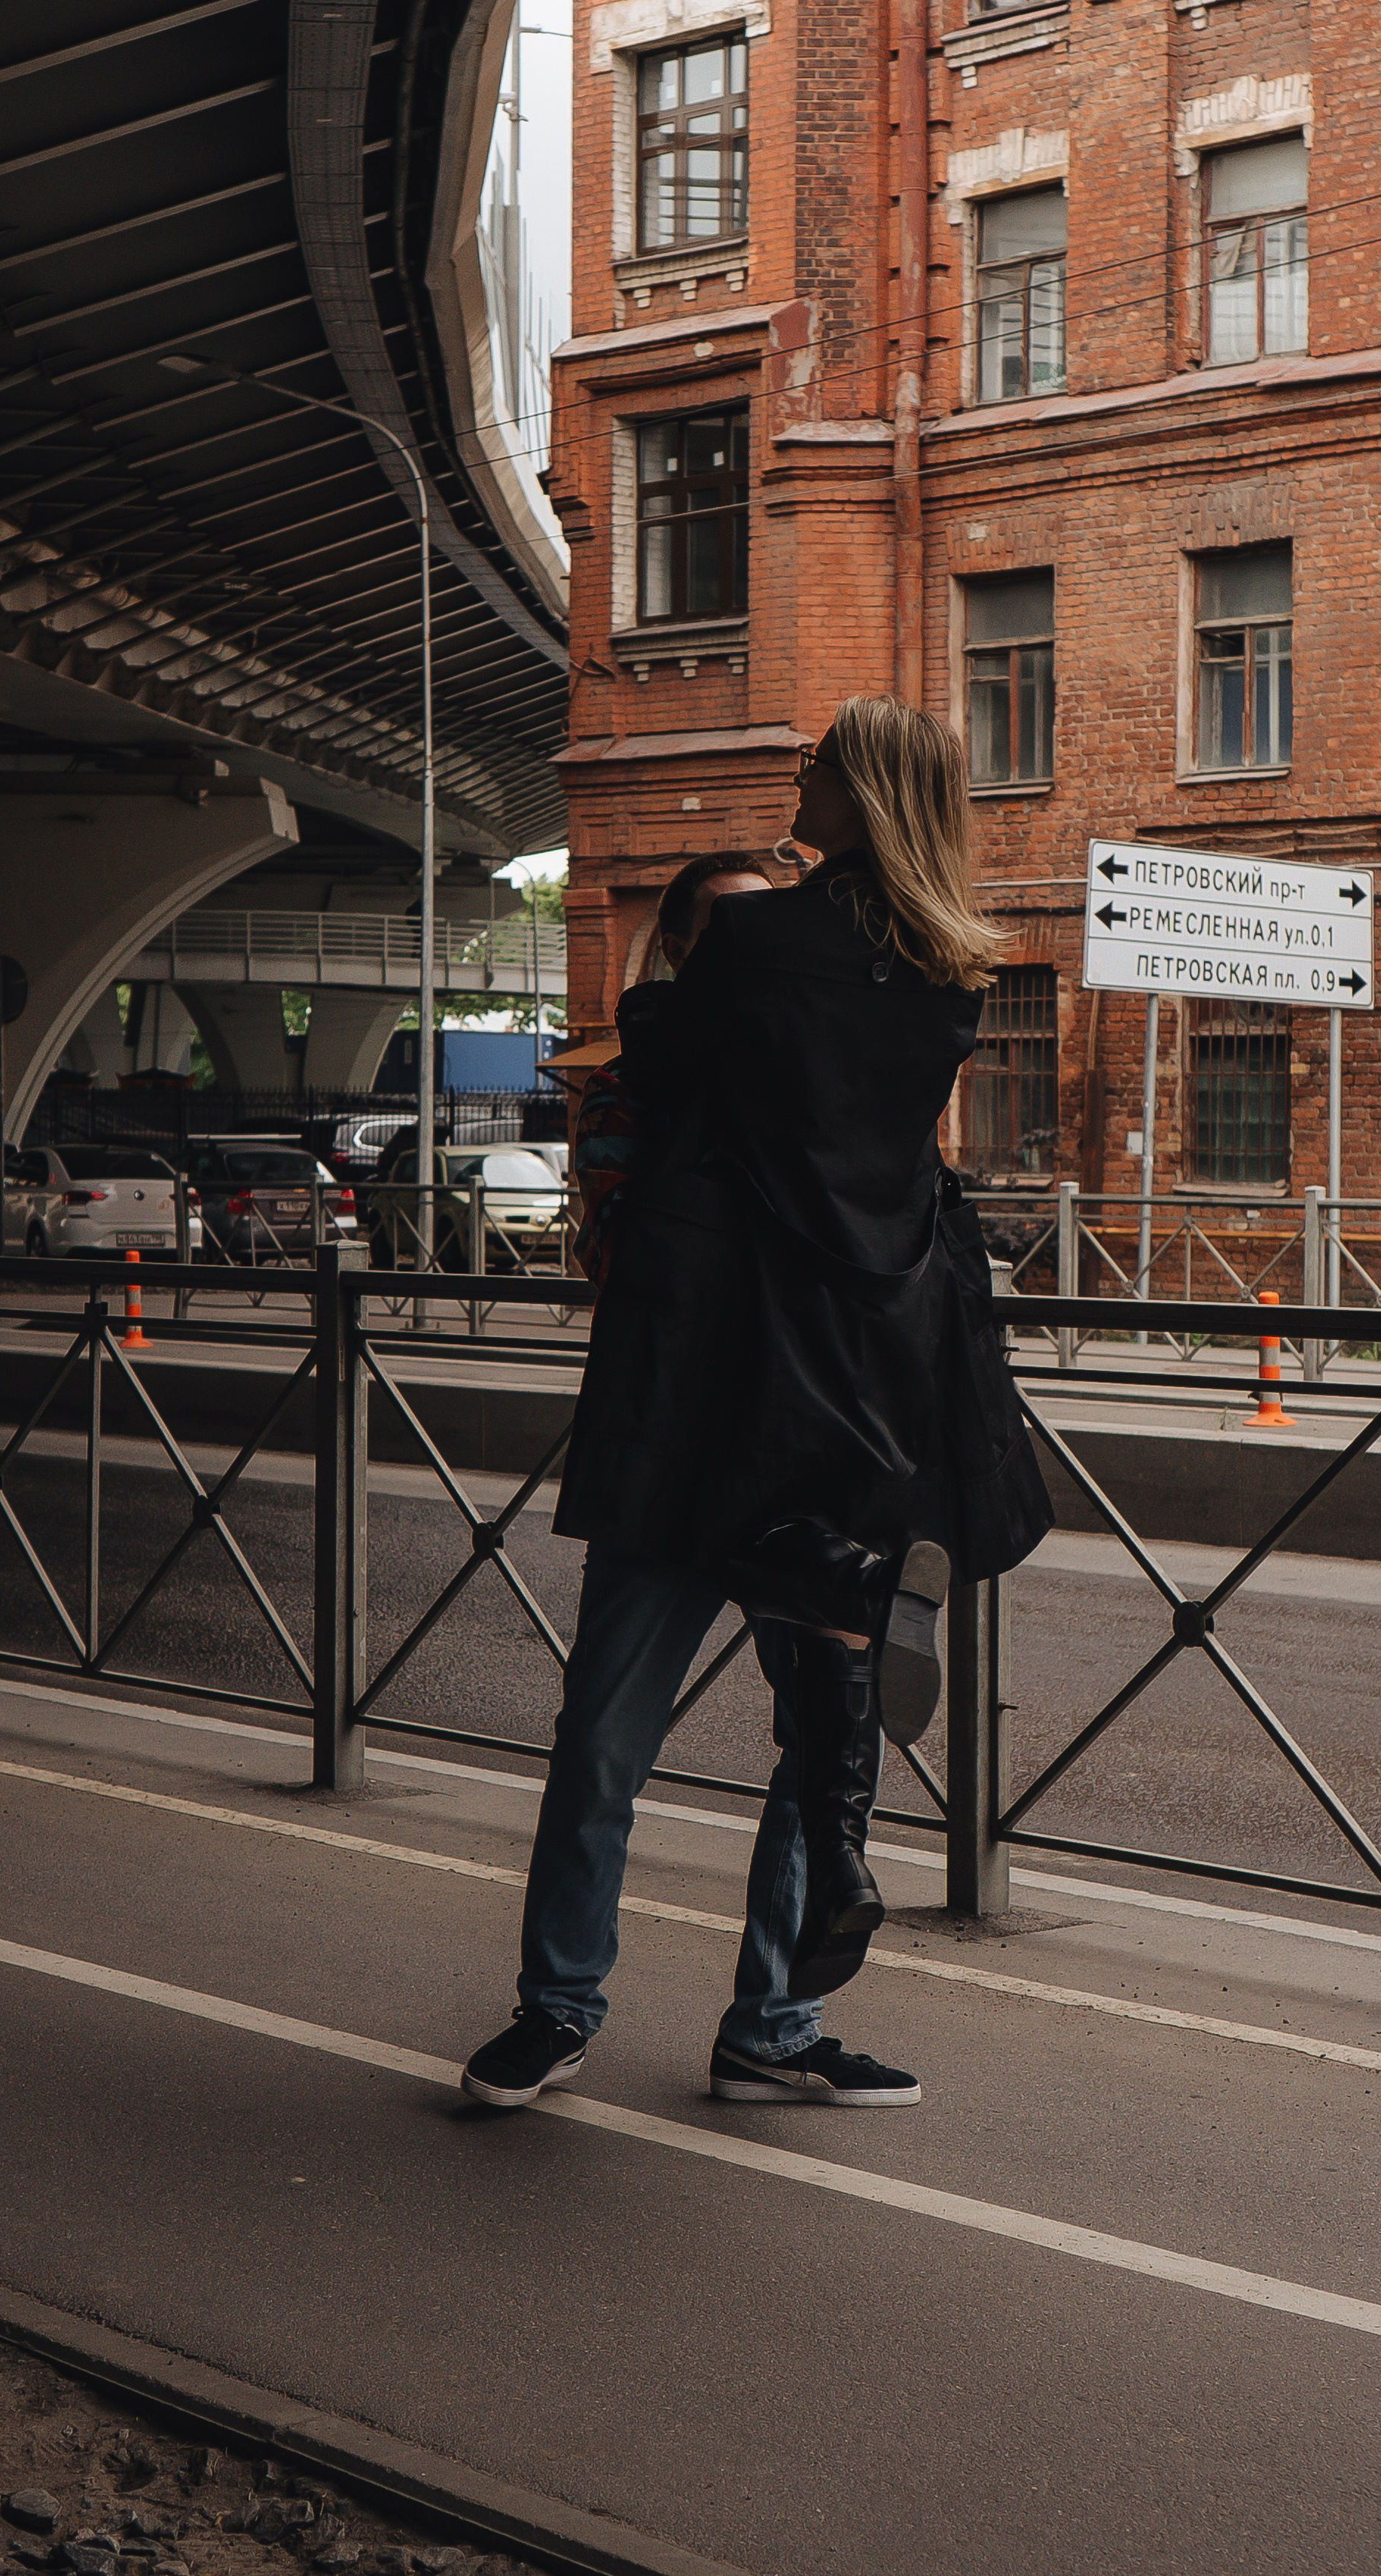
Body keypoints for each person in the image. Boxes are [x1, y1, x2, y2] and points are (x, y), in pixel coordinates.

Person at [462, 701, 1051, 2114]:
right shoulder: (950, 977)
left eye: (819, 764)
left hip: (705, 1393)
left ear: (863, 789)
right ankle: (772, 2024)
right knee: (822, 1736)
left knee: (607, 1726)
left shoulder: (754, 948)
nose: (800, 778)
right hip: (847, 1407)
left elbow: (656, 1080)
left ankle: (557, 2010)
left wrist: (668, 1002)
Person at [572, 852, 773, 1294]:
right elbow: (624, 1262)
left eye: (771, 923)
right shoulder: (621, 1089)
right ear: (677, 952)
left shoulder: (801, 1063)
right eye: (735, 925)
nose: (761, 941)